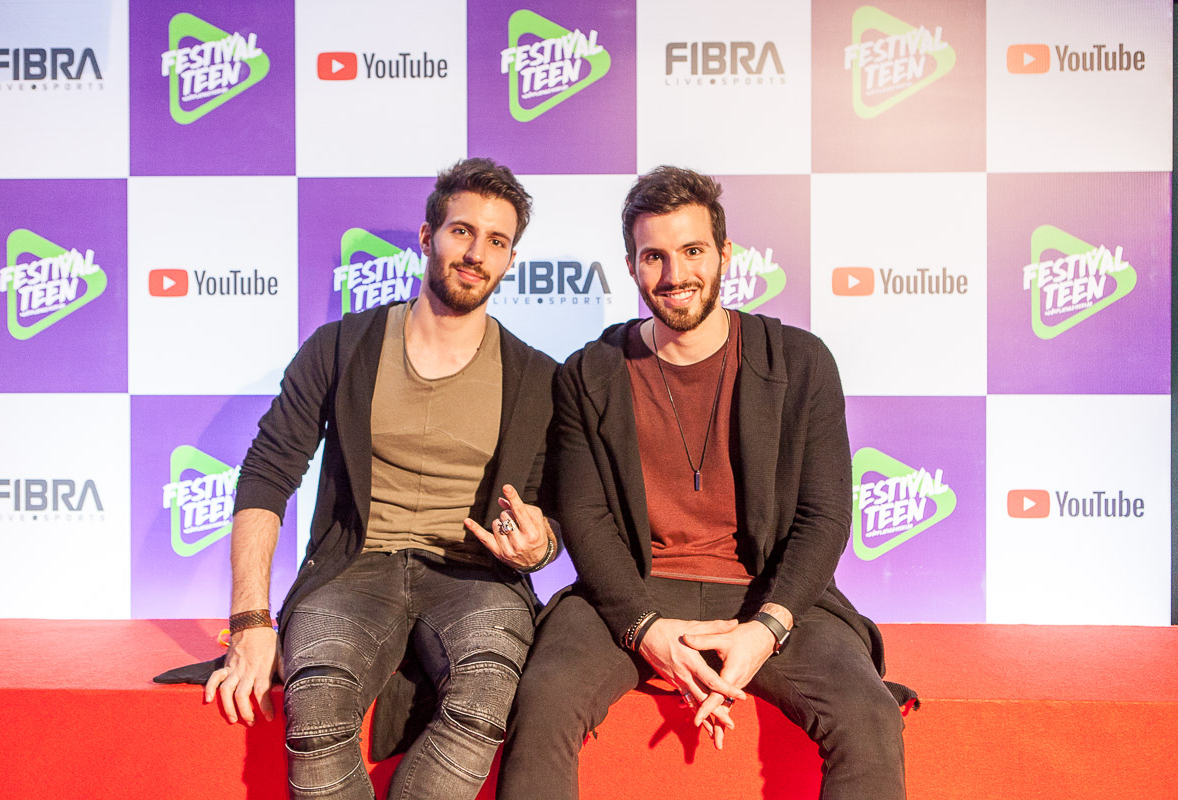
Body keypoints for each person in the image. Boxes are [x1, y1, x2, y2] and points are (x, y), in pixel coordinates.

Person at [497, 166, 912, 800]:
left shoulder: (800, 362)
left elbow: (825, 515)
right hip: (633, 590)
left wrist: (767, 628)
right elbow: (585, 517)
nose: (675, 274)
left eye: (692, 251)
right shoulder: (591, 373)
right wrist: (645, 629)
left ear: (724, 253)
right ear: (631, 266)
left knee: (869, 716)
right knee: (545, 697)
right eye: (654, 257)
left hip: (766, 590)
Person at [204, 158, 559, 800]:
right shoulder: (341, 347)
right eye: (462, 231)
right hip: (352, 570)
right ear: (427, 237)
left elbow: (554, 514)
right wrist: (251, 620)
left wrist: (540, 548)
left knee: (486, 702)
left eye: (496, 241)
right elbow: (267, 472)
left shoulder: (536, 377)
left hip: (476, 579)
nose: (476, 254)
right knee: (315, 713)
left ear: (511, 259)